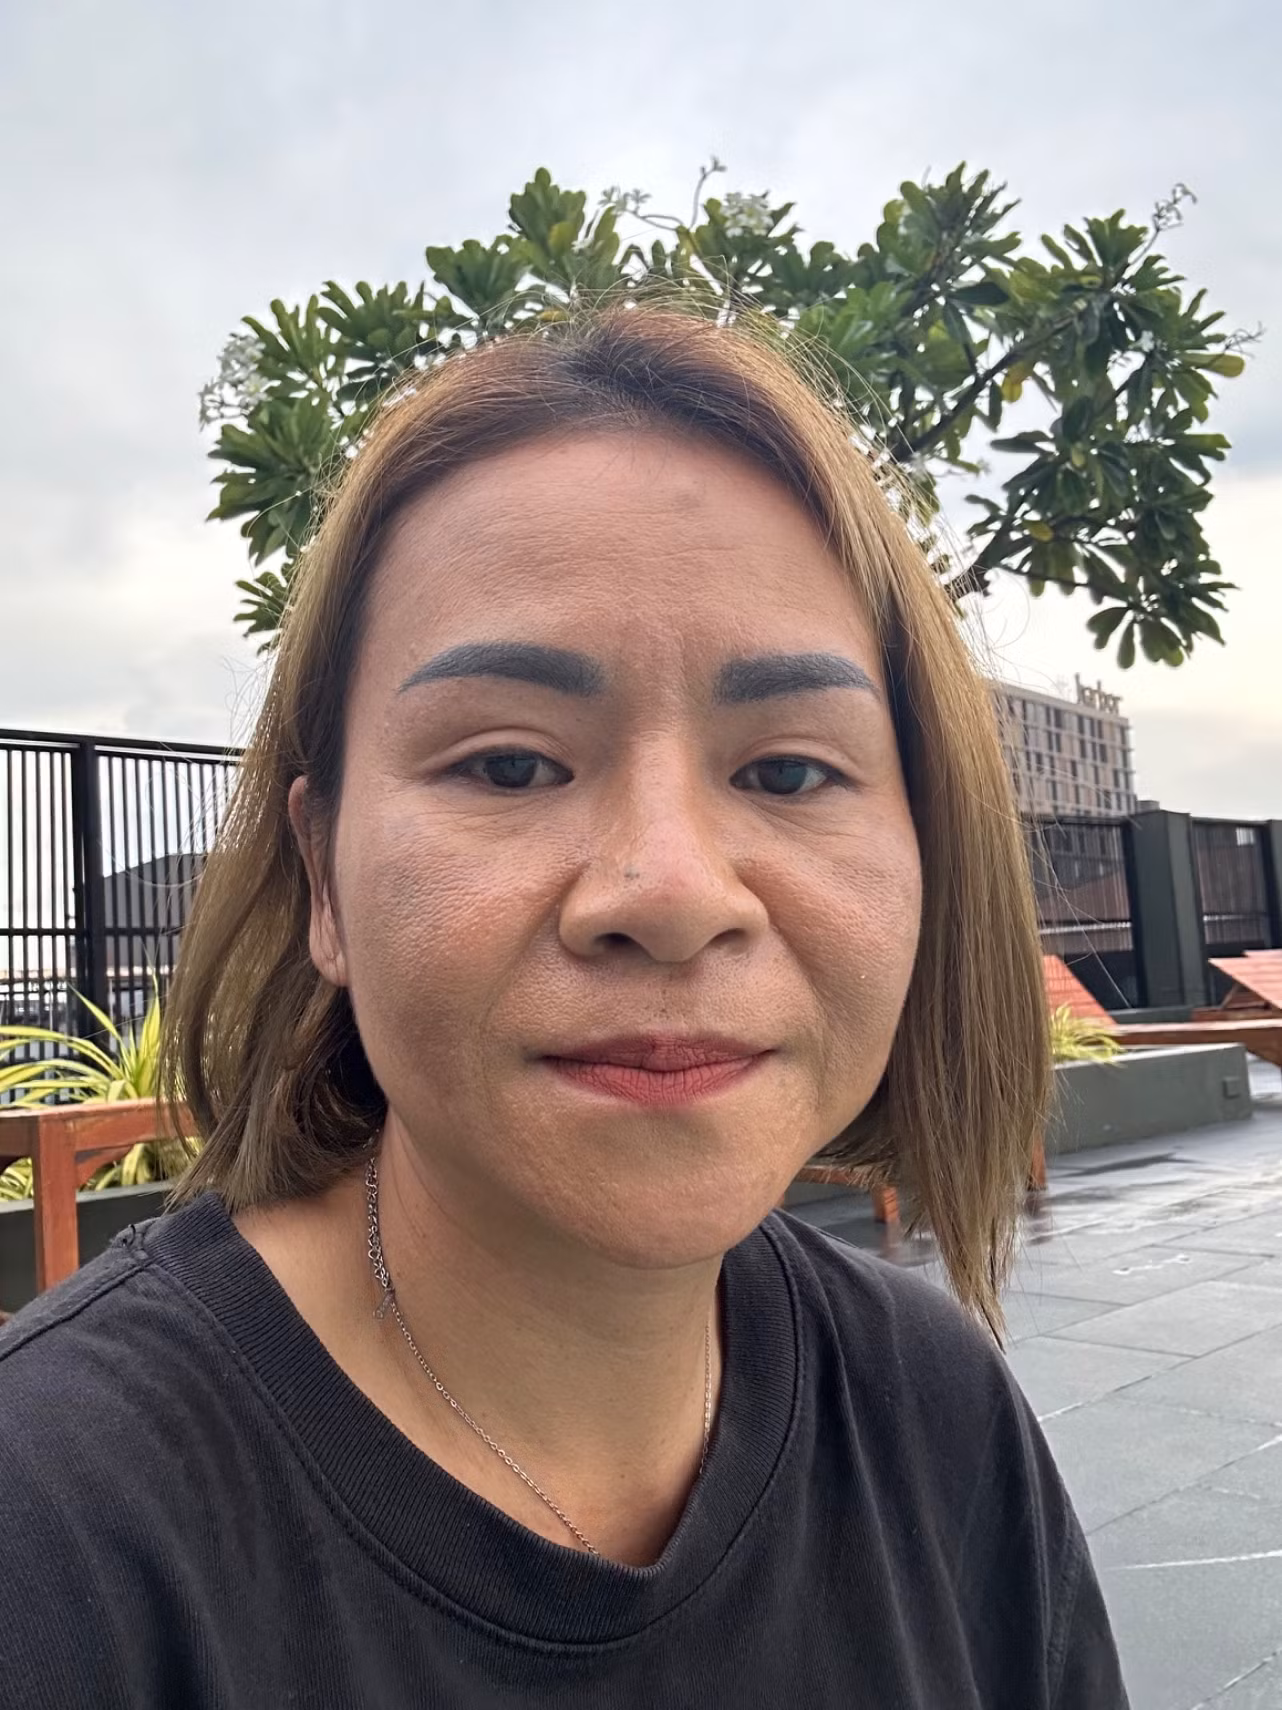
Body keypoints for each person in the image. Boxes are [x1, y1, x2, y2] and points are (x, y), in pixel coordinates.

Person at [0, 306, 1128, 1707]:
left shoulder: (933, 1407)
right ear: (323, 877)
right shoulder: (54, 1535)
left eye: (786, 772)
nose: (669, 891)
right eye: (510, 766)